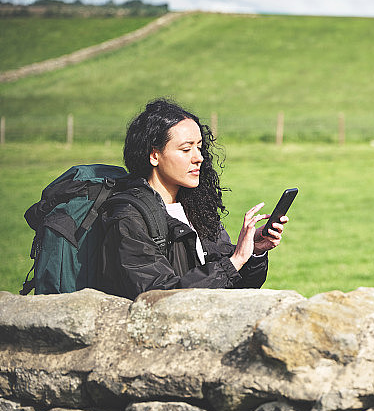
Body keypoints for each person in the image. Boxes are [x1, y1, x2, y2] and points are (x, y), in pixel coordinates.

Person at [93, 98, 287, 300]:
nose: (199, 157)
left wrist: (253, 252)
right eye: (186, 149)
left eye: (199, 147)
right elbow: (161, 297)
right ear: (154, 156)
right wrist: (235, 261)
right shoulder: (128, 218)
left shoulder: (196, 207)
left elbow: (237, 286)